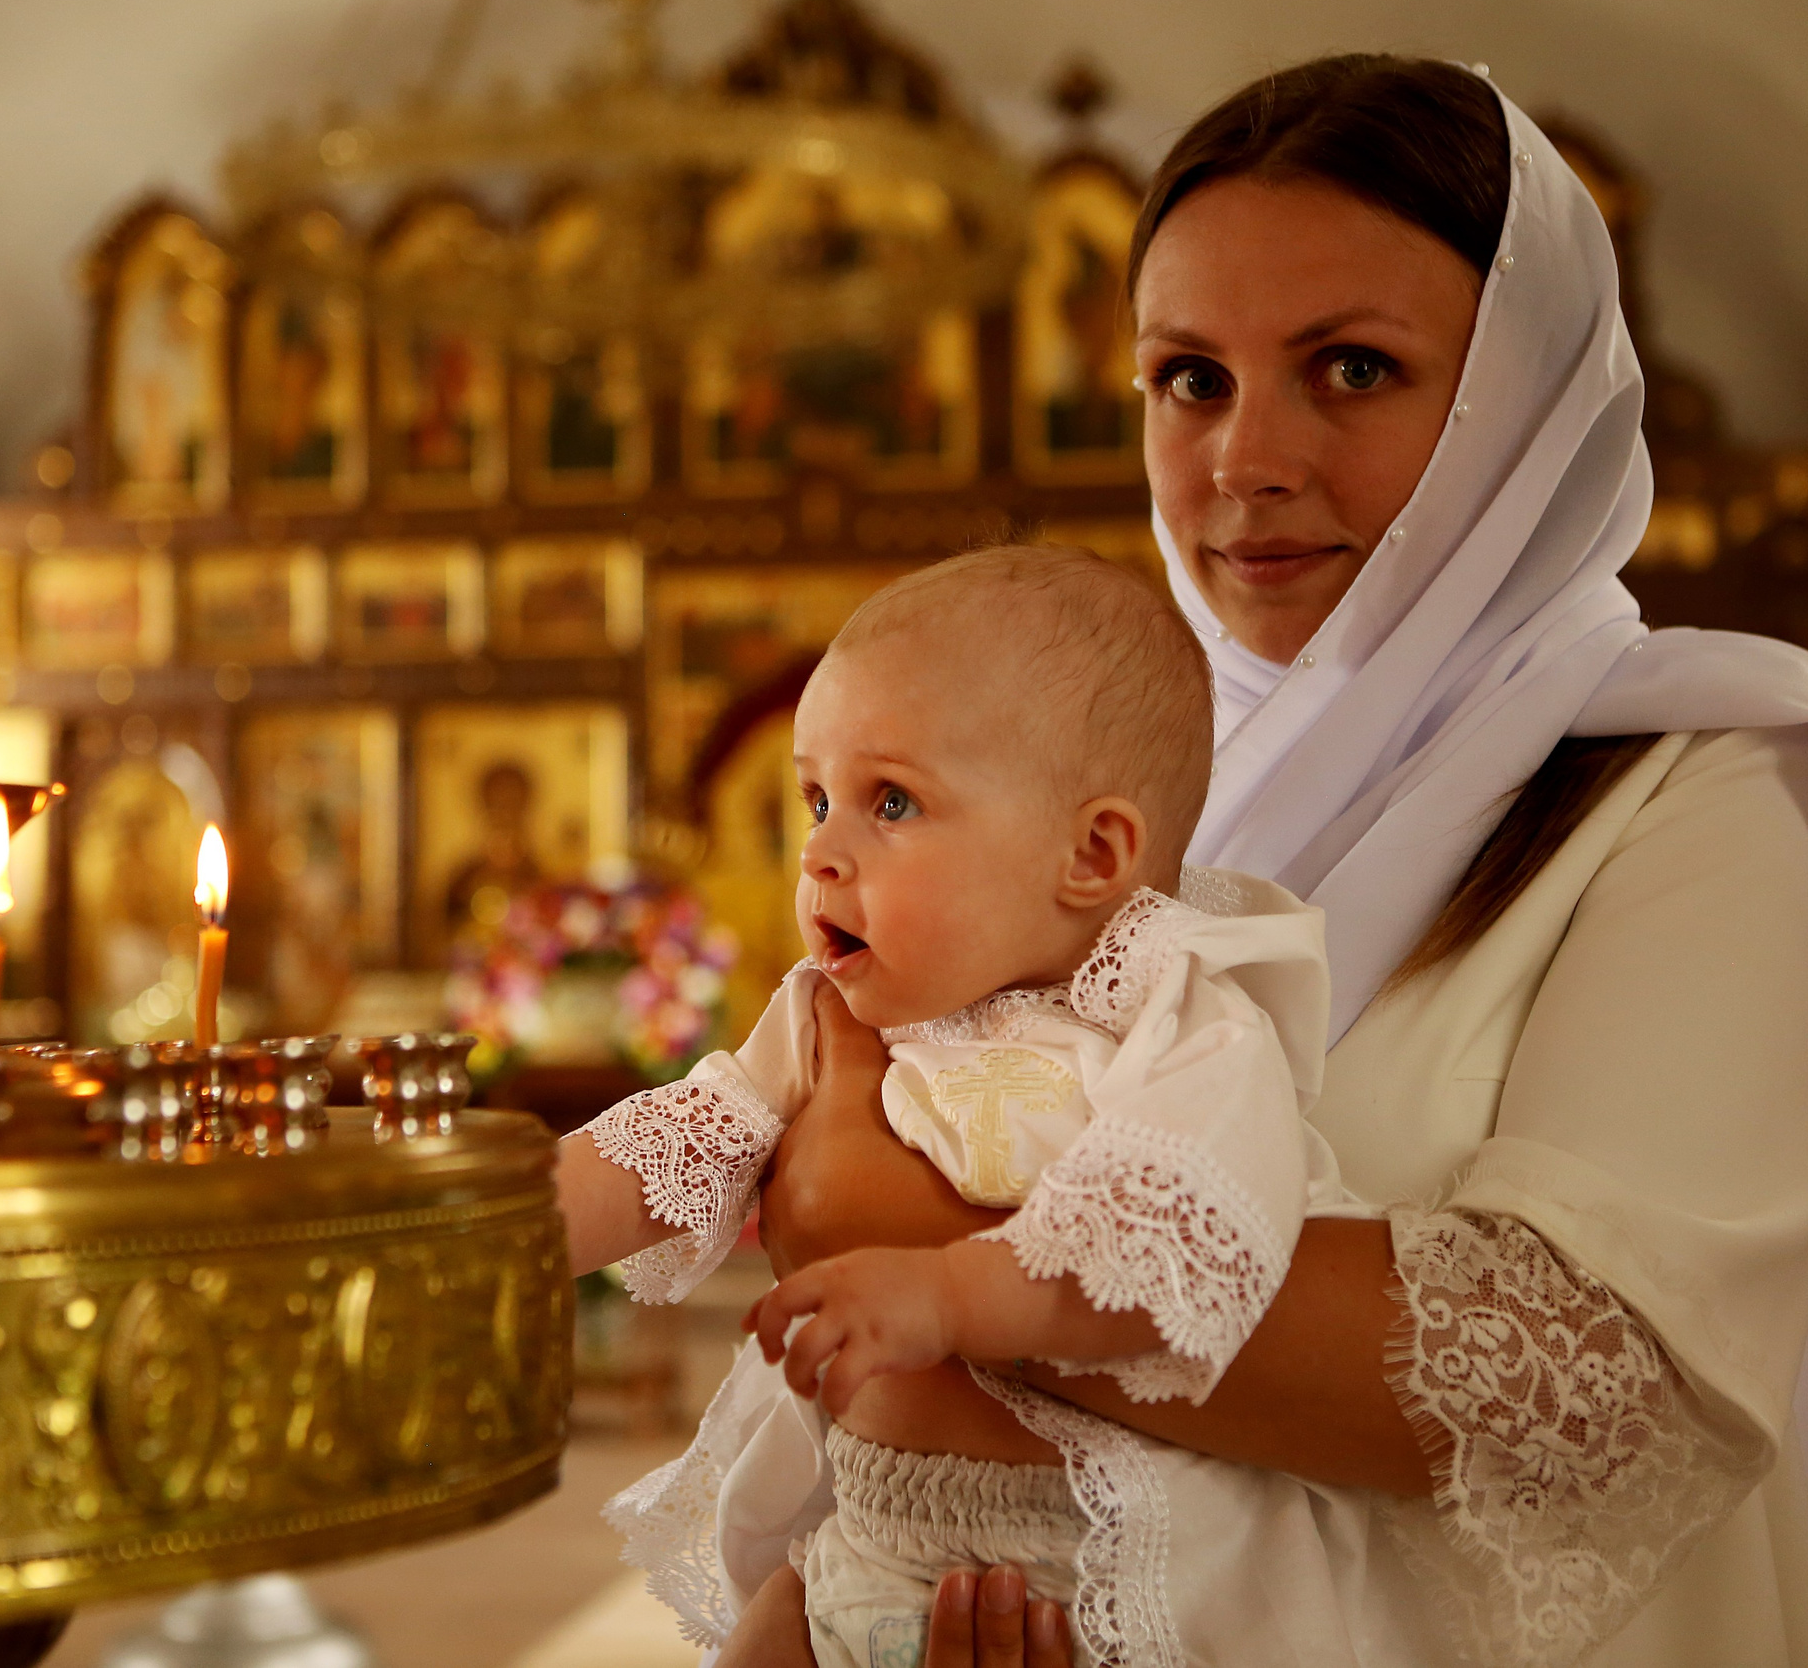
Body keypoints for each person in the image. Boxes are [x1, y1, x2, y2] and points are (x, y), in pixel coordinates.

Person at [724, 55, 1808, 1668]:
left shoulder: (1698, 792)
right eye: (1189, 378)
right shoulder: (1119, 807)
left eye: (1351, 367)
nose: (1243, 459)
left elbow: (1582, 1380)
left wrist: (911, 1234)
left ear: (1527, 400)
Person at [559, 544, 1357, 1666]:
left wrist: (949, 1288)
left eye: (891, 802)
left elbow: (1180, 1240)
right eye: (816, 798)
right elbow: (676, 1140)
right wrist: (489, 1223)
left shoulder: (1180, 1015)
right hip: (873, 1534)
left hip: (1103, 1562)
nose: (821, 852)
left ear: (1091, 852)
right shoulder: (835, 1012)